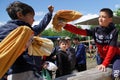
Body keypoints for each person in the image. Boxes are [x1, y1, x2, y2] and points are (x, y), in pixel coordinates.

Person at [60, 8, 120, 79]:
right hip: (102, 57)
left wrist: (105, 63)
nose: (100, 19)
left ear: (110, 19)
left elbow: (112, 49)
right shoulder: (95, 30)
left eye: (103, 17)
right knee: (101, 75)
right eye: (99, 16)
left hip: (115, 57)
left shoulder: (114, 31)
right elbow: (79, 31)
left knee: (116, 75)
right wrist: (65, 26)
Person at [0, 1, 54, 80]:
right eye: (32, 16)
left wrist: (49, 13)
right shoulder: (24, 30)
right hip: (24, 71)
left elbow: (40, 27)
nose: (34, 20)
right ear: (20, 15)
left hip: (10, 73)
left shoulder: (4, 29)